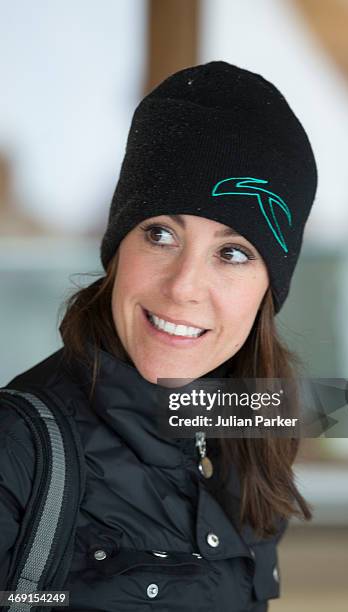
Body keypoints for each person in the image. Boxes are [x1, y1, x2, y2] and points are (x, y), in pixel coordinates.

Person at [0, 60, 318, 611]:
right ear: (120, 247)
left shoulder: (249, 426)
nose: (184, 288)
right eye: (161, 234)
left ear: (269, 288)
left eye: (233, 252)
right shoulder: (17, 447)